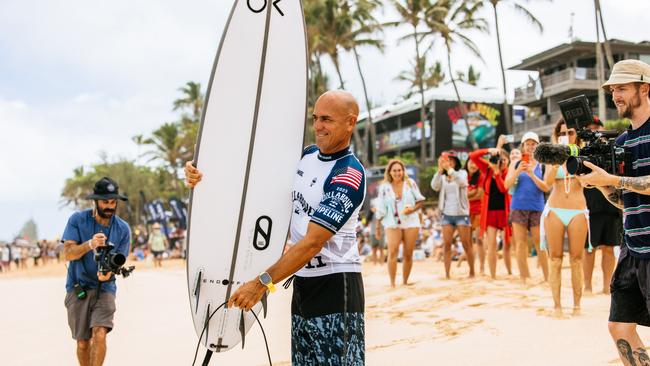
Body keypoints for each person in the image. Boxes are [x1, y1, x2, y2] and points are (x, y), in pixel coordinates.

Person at [185, 90, 366, 364]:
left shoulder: (348, 175)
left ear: (350, 122)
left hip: (335, 286)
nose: (318, 126)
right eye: (315, 118)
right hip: (302, 284)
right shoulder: (304, 157)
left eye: (327, 119)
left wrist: (261, 283)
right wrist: (203, 174)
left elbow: (312, 242)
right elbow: (252, 178)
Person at [575, 59, 650, 365]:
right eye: (613, 90)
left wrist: (613, 179)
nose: (616, 95)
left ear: (644, 88)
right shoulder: (621, 142)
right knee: (619, 326)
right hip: (632, 246)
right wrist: (601, 186)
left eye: (622, 88)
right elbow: (625, 199)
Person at [61, 177, 131, 366]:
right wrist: (90, 244)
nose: (110, 206)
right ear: (95, 201)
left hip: (106, 288)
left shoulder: (123, 229)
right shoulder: (77, 220)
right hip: (78, 287)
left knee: (100, 334)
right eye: (105, 202)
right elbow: (67, 254)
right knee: (83, 343)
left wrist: (108, 273)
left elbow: (118, 262)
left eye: (113, 202)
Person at [541, 118, 588, 317]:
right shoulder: (552, 155)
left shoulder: (584, 152)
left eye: (570, 132)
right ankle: (557, 305)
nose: (566, 136)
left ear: (576, 134)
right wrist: (557, 162)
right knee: (556, 259)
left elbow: (587, 183)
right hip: (555, 208)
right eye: (562, 133)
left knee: (577, 259)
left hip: (578, 209)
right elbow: (546, 184)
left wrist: (574, 162)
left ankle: (577, 305)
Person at [581, 117, 622, 294]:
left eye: (597, 128)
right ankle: (588, 285)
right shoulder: (584, 153)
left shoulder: (613, 150)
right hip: (591, 207)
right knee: (589, 248)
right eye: (591, 129)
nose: (594, 132)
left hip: (613, 207)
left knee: (609, 248)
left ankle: (606, 286)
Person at [505, 132, 550, 286]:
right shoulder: (516, 163)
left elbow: (545, 187)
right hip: (518, 207)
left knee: (540, 244)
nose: (530, 147)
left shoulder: (543, 164)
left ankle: (547, 278)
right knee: (520, 244)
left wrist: (531, 173)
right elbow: (506, 185)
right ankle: (524, 278)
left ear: (538, 146)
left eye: (533, 144)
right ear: (523, 146)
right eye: (527, 144)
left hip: (537, 207)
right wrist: (518, 170)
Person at [376, 159, 425, 287]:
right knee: (392, 252)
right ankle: (392, 283)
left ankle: (405, 282)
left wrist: (412, 209)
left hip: (411, 221)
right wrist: (377, 226)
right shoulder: (384, 187)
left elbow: (420, 201)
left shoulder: (410, 183)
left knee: (408, 253)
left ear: (403, 171)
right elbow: (380, 208)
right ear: (390, 172)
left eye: (400, 170)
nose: (397, 173)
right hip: (392, 222)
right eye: (394, 170)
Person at [470, 136, 511, 279]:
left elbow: (503, 189)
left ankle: (510, 271)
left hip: (505, 211)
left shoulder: (507, 172)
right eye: (499, 159)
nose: (501, 162)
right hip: (490, 212)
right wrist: (489, 150)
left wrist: (497, 173)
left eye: (504, 160)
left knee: (508, 243)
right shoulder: (486, 169)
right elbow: (473, 156)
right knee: (491, 244)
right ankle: (493, 275)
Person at [431, 150, 474, 279]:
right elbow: (434, 186)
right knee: (447, 244)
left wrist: (449, 169)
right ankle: (447, 274)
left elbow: (462, 182)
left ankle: (472, 272)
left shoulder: (462, 173)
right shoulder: (442, 176)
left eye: (450, 160)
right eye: (445, 160)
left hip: (461, 213)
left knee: (466, 244)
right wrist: (439, 170)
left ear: (455, 162)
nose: (447, 162)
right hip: (447, 214)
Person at [465, 158, 485, 275]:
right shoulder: (462, 175)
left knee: (480, 240)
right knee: (467, 243)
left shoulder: (481, 176)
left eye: (476, 163)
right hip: (464, 212)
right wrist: (473, 193)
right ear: (466, 163)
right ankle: (471, 269)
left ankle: (482, 267)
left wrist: (465, 197)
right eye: (471, 162)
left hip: (478, 211)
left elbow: (480, 194)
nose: (473, 165)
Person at [368, 198, 386, 265]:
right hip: (372, 232)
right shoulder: (371, 212)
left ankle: (382, 263)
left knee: (381, 248)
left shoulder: (383, 212)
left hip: (382, 232)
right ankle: (374, 263)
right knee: (374, 249)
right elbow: (366, 221)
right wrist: (371, 212)